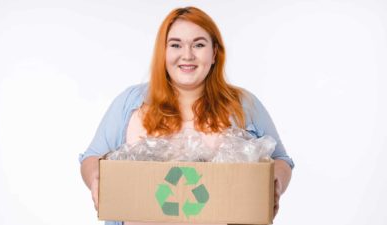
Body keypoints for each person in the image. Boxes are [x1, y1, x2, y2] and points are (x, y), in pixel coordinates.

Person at [79, 6, 294, 225]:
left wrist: (273, 181)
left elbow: (281, 161)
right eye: (175, 45)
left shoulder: (243, 104)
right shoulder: (130, 103)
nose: (187, 55)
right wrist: (96, 177)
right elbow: (92, 156)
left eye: (199, 45)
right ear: (163, 53)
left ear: (214, 54)